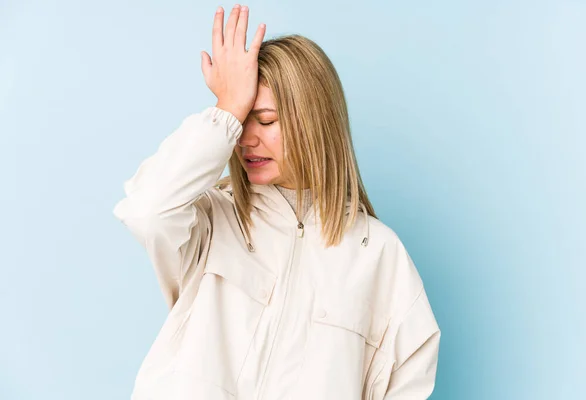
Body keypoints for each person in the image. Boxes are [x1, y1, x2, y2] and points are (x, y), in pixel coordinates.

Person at [113, 4, 440, 399]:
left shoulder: (379, 256)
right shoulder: (212, 220)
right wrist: (225, 110)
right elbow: (146, 210)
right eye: (241, 121)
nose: (245, 138)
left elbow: (407, 384)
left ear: (313, 121)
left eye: (265, 121)